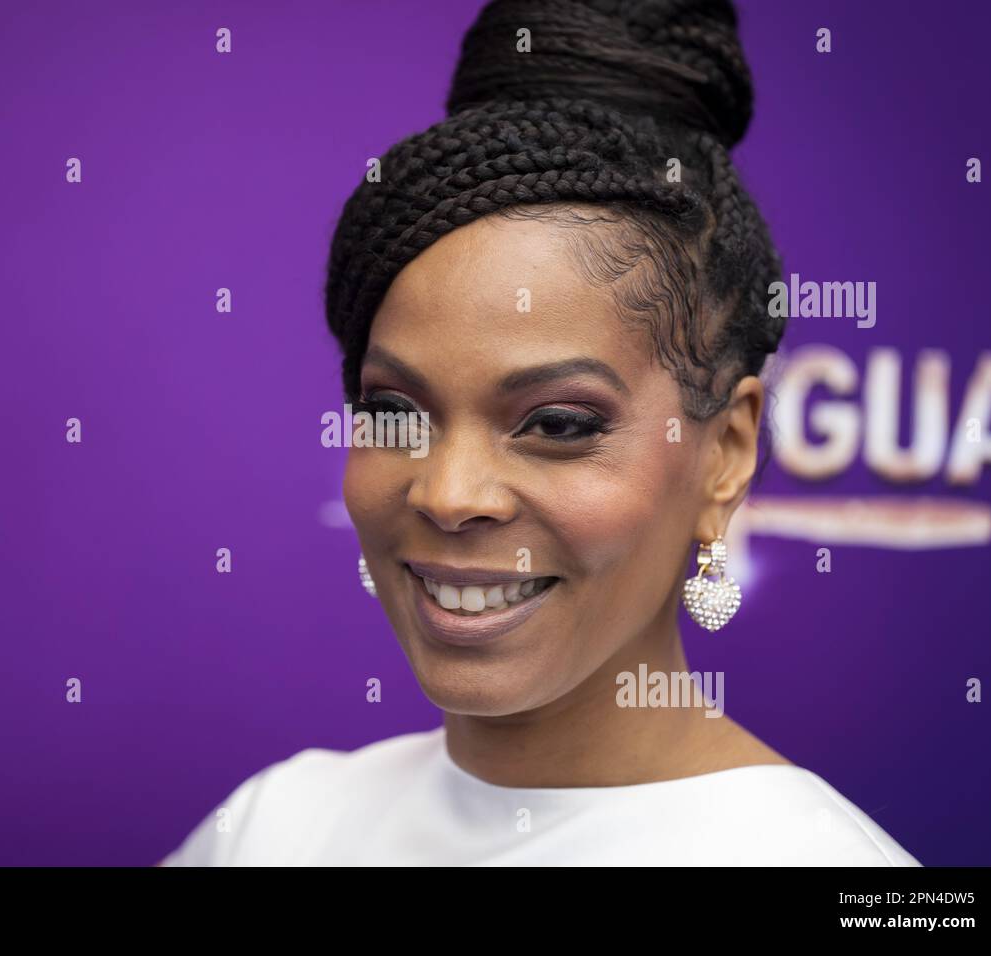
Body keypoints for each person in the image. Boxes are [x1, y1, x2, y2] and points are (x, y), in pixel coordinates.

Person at [163, 0, 920, 866]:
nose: (448, 494)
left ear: (727, 453)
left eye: (558, 424)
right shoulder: (273, 827)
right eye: (395, 413)